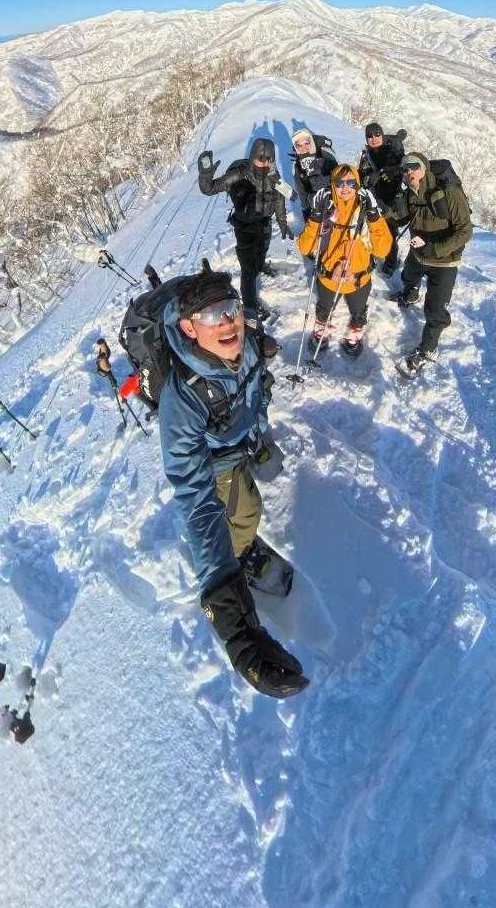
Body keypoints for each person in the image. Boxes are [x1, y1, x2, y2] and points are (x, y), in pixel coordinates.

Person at [157, 262, 308, 698]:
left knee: (252, 500)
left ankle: (241, 539)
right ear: (188, 328)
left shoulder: (246, 344)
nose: (227, 322)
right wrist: (235, 627)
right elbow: (195, 498)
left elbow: (254, 385)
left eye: (231, 309)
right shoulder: (182, 401)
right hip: (219, 462)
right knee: (243, 512)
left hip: (244, 438)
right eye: (211, 315)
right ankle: (238, 555)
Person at [296, 163, 393, 356]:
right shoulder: (326, 209)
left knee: (358, 311)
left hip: (358, 279)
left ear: (357, 185)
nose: (345, 187)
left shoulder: (366, 210)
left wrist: (374, 215)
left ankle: (355, 334)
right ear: (333, 185)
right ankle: (321, 332)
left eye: (351, 182)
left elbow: (382, 250)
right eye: (340, 183)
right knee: (324, 309)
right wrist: (315, 216)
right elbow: (305, 247)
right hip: (328, 278)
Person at [197, 136, 289, 326]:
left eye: (268, 159)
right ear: (253, 156)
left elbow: (280, 197)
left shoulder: (273, 174)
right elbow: (209, 189)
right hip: (245, 228)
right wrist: (206, 173)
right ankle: (250, 307)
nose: (264, 164)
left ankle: (260, 265)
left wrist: (282, 221)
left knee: (262, 250)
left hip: (264, 222)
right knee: (248, 270)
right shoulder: (239, 174)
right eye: (260, 159)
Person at [395, 151, 473, 372]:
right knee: (408, 275)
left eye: (414, 166)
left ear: (425, 169)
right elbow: (401, 218)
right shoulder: (409, 193)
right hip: (418, 255)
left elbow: (465, 231)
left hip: (444, 262)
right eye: (405, 169)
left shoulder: (449, 192)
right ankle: (410, 293)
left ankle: (428, 349)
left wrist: (436, 249)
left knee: (435, 310)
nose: (409, 172)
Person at [357, 120, 407, 276]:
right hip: (373, 198)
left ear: (382, 135)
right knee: (371, 229)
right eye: (370, 136)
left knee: (390, 232)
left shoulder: (393, 150)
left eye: (377, 134)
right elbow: (361, 173)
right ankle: (370, 256)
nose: (374, 138)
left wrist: (393, 170)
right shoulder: (367, 154)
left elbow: (407, 166)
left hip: (391, 199)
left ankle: (391, 262)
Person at [290, 127, 339, 224]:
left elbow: (340, 175)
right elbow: (302, 191)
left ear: (311, 141)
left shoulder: (324, 154)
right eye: (299, 145)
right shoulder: (297, 165)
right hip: (315, 206)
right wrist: (306, 214)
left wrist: (321, 181)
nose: (303, 147)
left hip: (335, 200)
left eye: (306, 143)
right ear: (295, 147)